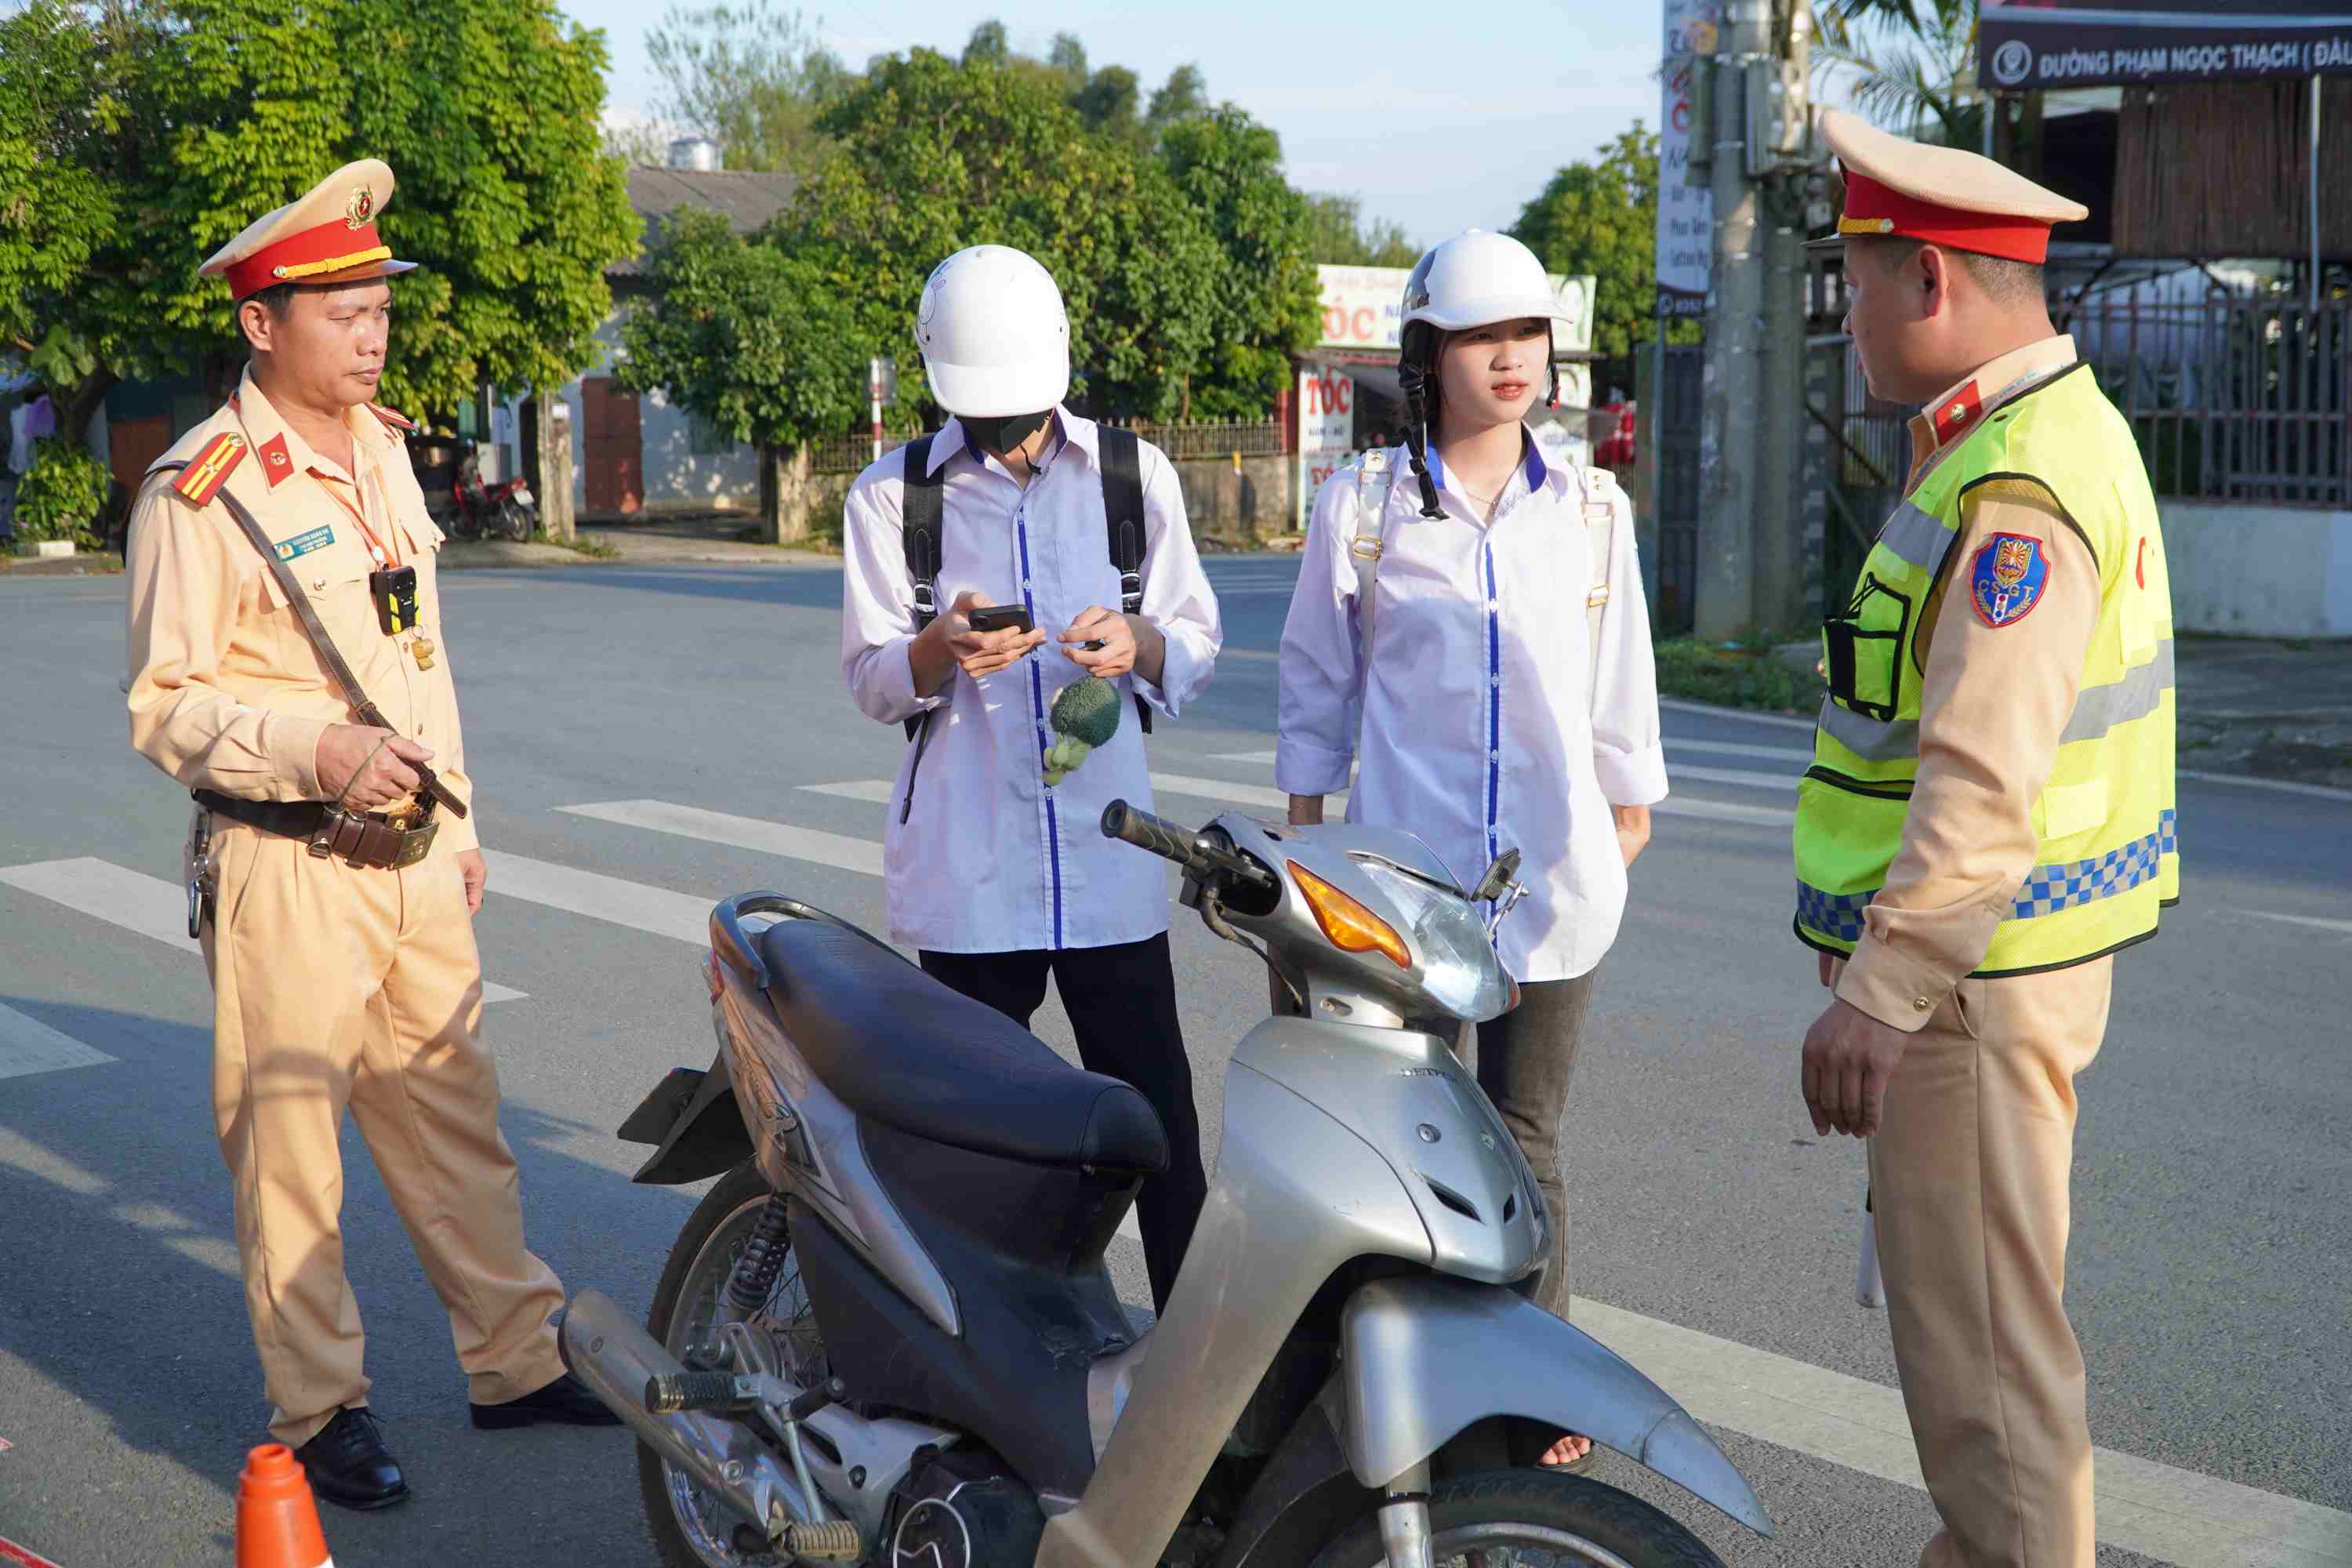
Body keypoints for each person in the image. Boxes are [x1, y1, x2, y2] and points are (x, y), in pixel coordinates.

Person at [122, 159, 616, 1512]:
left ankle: (514, 1360)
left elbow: (418, 659)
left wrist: (461, 824)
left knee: (459, 1123)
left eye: (377, 303)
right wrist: (313, 747)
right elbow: (164, 704)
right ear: (260, 324)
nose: (371, 327)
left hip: (410, 861)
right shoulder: (200, 488)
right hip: (284, 862)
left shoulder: (387, 449)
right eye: (338, 306)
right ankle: (321, 1407)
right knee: (293, 1150)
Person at [1792, 110, 2177, 1568]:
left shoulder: (2011, 485)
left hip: (1967, 993)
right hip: (2011, 975)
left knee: (1996, 1420)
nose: (1849, 320)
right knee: (1994, 1405)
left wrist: (1877, 994)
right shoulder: (2046, 434)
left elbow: (1977, 779)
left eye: (1858, 283)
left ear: (1932, 283)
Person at [1276, 229, 1667, 1468]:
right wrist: (1305, 833)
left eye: (1527, 335)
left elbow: (1622, 677)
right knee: (1409, 1138)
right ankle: (1403, 1375)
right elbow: (1315, 680)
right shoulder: (1367, 507)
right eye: (1482, 338)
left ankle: (1537, 1379)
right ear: (1428, 357)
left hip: (1552, 878)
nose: (1512, 359)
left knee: (1526, 1135)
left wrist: (1628, 805)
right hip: (1402, 888)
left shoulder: (1594, 512)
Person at [839, 244, 1223, 1313]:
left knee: (1159, 1131)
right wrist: (940, 651)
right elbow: (873, 681)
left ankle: (1193, 1368)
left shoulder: (1132, 478)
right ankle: (977, 1353)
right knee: (971, 1141)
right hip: (972, 878)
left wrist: (1137, 641)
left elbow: (1193, 638)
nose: (1007, 429)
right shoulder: (891, 496)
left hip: (1109, 867)